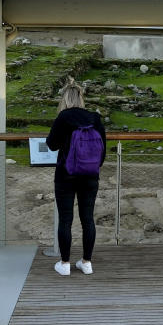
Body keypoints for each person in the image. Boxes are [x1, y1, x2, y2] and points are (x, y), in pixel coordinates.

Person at [45, 78, 107, 276]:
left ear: (64, 99)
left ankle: (64, 264)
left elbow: (52, 144)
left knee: (66, 219)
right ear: (81, 98)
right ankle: (86, 262)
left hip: (66, 174)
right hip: (90, 175)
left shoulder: (63, 117)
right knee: (88, 218)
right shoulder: (95, 118)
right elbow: (103, 151)